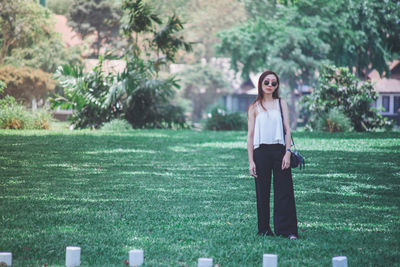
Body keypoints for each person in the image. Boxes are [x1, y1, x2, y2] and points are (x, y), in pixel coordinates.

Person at [247, 70, 299, 240]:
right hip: (260, 151)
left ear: (277, 86)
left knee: (284, 190)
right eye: (267, 82)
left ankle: (288, 230)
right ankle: (264, 229)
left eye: (274, 83)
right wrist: (251, 161)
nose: (270, 85)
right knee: (262, 191)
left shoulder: (281, 103)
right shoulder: (254, 107)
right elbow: (250, 136)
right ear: (261, 83)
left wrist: (288, 153)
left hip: (279, 150)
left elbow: (287, 129)